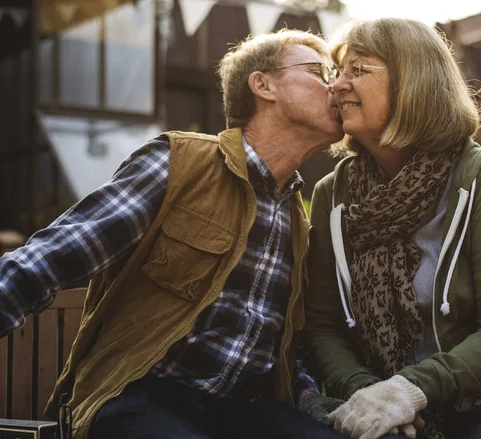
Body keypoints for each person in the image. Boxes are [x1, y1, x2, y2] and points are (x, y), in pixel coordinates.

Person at [0, 29, 348, 439]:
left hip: (245, 411)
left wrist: (310, 398)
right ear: (263, 85)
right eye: (319, 71)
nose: (336, 86)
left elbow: (289, 349)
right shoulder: (180, 164)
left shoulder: (299, 224)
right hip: (140, 395)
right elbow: (50, 257)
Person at [305, 18, 481, 439]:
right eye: (338, 71)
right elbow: (323, 326)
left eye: (358, 70)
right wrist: (369, 395)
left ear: (413, 81)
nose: (337, 85)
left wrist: (410, 390)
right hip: (379, 404)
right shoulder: (332, 196)